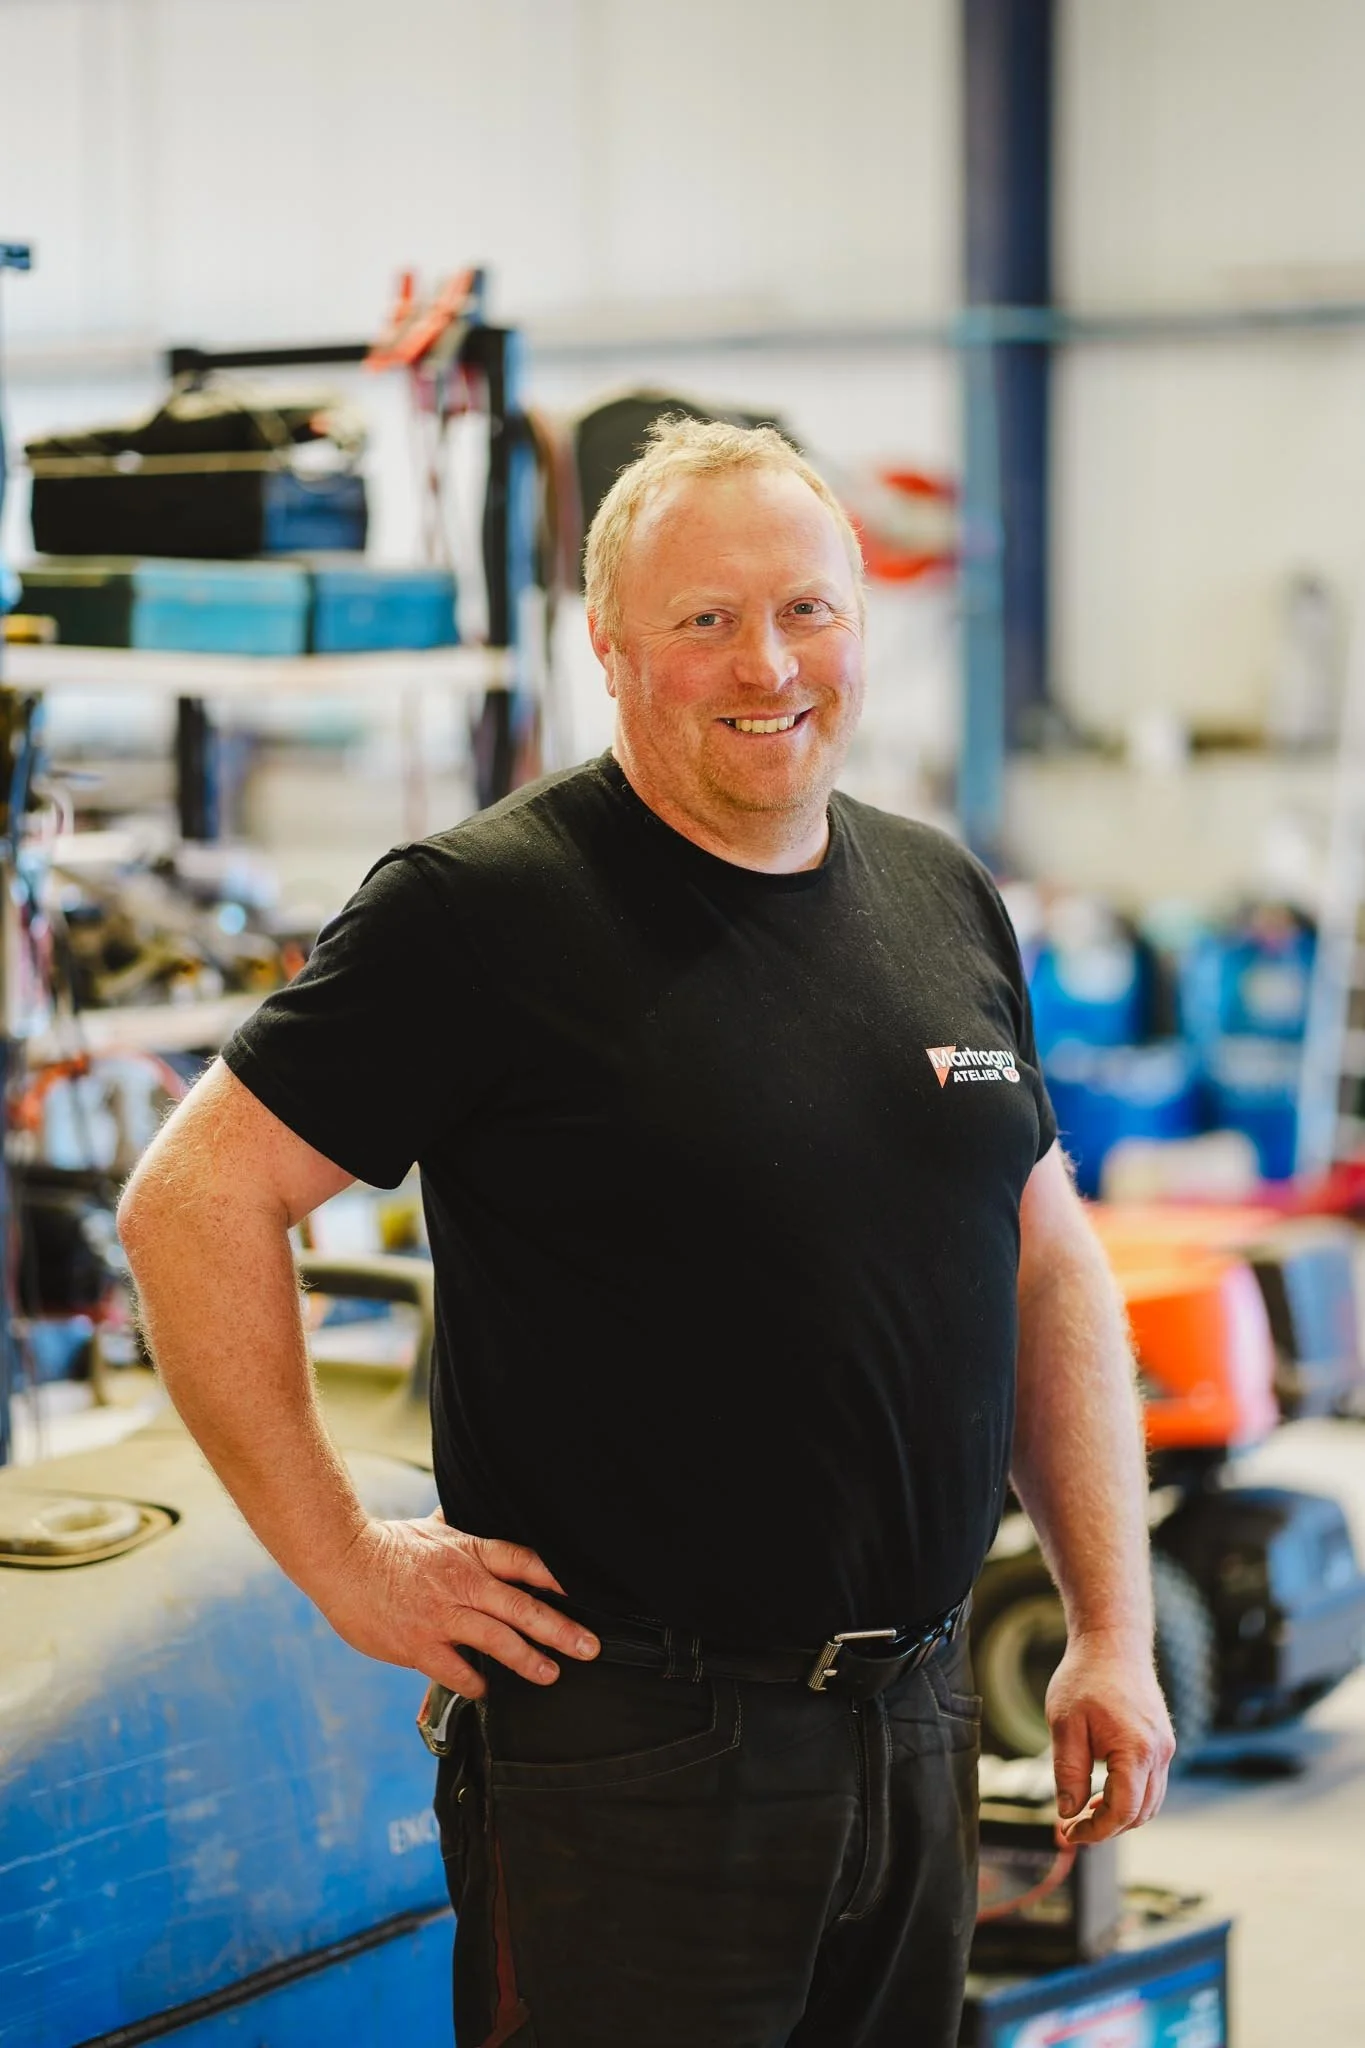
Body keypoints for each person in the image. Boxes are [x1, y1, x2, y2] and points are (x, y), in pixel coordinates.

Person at [118, 418, 1174, 2048]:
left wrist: (1110, 1620)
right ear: (609, 651)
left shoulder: (942, 896)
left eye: (810, 610)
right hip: (634, 1757)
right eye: (706, 622)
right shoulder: (484, 912)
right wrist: (343, 1562)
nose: (770, 661)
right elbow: (191, 1203)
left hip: (914, 1726)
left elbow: (1044, 1258)